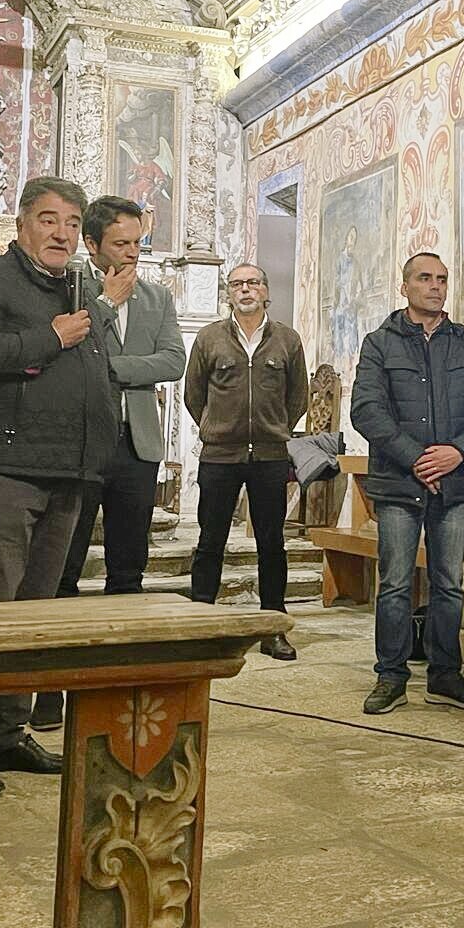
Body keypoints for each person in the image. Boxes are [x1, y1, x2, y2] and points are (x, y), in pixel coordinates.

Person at [0, 176, 120, 800]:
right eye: (49, 220)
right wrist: (51, 338)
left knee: (34, 615)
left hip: (68, 469)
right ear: (22, 225)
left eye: (72, 223)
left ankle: (6, 734)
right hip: (5, 468)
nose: (62, 233)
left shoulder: (79, 289)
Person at [29, 195, 185, 732]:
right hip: (78, 445)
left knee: (128, 568)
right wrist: (104, 325)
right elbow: (61, 355)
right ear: (92, 245)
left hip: (135, 446)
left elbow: (173, 359)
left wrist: (110, 369)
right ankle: (50, 691)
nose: (133, 252)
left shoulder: (156, 297)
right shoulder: (68, 291)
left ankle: (118, 687)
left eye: (138, 242)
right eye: (121, 243)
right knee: (63, 569)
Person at [350, 252, 464, 714]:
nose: (435, 286)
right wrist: (416, 457)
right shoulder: (380, 343)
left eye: (441, 279)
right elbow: (367, 410)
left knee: (449, 583)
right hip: (400, 482)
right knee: (396, 582)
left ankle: (445, 676)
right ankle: (391, 676)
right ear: (405, 287)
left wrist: (457, 452)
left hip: (453, 484)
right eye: (424, 278)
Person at [185, 263, 307, 660]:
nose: (245, 289)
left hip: (270, 457)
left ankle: (273, 629)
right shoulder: (209, 338)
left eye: (253, 282)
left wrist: (274, 428)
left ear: (266, 291)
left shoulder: (287, 340)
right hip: (220, 456)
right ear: (228, 293)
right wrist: (218, 427)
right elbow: (194, 395)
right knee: (210, 542)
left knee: (272, 544)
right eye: (237, 284)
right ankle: (202, 626)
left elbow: (298, 397)